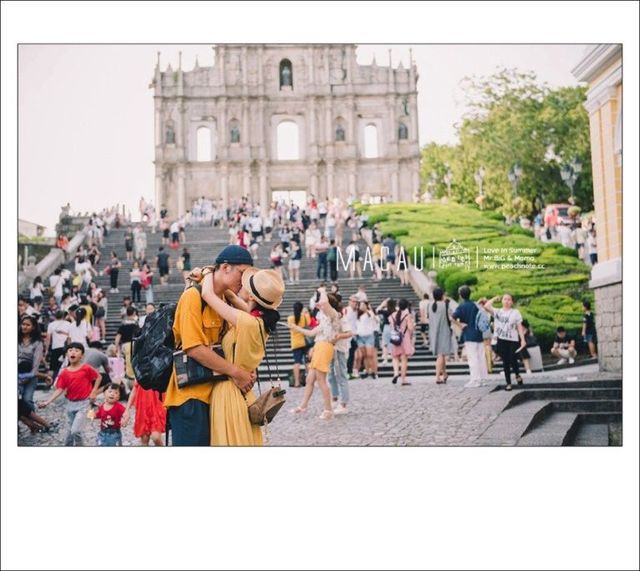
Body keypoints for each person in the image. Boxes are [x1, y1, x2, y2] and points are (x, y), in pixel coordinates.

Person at [165, 246, 257, 446]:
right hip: (191, 395)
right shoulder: (192, 296)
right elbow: (194, 348)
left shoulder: (222, 300)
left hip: (216, 395)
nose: (244, 281)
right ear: (225, 267)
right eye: (241, 273)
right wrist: (236, 372)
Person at [197, 266, 285, 445]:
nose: (240, 285)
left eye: (246, 286)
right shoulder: (258, 322)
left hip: (228, 394)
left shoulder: (245, 321)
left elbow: (207, 294)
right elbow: (231, 297)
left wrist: (207, 272)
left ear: (252, 297)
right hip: (246, 396)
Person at [288, 287, 343, 420]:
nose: (320, 304)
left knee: (321, 380)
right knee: (310, 379)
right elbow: (312, 333)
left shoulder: (333, 314)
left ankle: (328, 409)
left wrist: (322, 291)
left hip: (325, 347)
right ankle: (303, 406)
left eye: (322, 302)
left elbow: (324, 303)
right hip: (319, 346)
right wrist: (296, 328)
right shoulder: (325, 318)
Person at [38, 342, 101, 446]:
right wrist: (47, 401)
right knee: (69, 434)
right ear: (67, 354)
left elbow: (98, 377)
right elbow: (59, 389)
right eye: (70, 350)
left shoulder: (86, 368)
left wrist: (94, 391)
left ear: (82, 355)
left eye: (77, 350)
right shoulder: (64, 372)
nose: (73, 352)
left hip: (84, 403)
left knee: (76, 431)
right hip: (69, 404)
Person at [483, 293, 527, 390]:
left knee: (512, 358)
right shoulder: (497, 311)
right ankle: (508, 383)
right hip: (502, 339)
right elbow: (486, 306)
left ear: (512, 302)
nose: (506, 301)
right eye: (505, 299)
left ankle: (517, 374)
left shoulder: (515, 312)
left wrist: (523, 340)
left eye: (509, 299)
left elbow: (519, 327)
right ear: (502, 301)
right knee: (506, 361)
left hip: (513, 339)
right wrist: (494, 298)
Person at [453, 285, 489, 388]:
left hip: (469, 334)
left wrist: (460, 325)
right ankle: (483, 379)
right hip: (479, 334)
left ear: (460, 295)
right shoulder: (475, 305)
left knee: (473, 358)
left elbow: (452, 317)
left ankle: (475, 379)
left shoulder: (461, 306)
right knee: (481, 357)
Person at [122, 380, 166, 446]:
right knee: (144, 440)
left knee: (156, 438)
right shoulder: (140, 372)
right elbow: (134, 391)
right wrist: (127, 410)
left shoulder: (159, 370)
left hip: (157, 408)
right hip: (142, 409)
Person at [18, 315, 46, 413]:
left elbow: (36, 365)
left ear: (33, 327)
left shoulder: (37, 343)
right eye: (23, 324)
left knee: (27, 400)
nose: (24, 327)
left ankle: (35, 425)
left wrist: (24, 378)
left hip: (30, 375)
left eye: (27, 325)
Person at [328, 308, 353, 415]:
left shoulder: (341, 318)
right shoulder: (328, 317)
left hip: (339, 349)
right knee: (330, 375)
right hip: (330, 349)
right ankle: (334, 398)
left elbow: (349, 333)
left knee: (341, 375)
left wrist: (338, 336)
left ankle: (344, 403)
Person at [427, 288, 452, 385]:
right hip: (443, 331)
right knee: (441, 355)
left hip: (433, 332)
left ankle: (444, 374)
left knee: (441, 355)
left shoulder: (430, 305)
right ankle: (437, 377)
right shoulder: (445, 305)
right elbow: (451, 316)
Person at [389, 298, 416, 385]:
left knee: (395, 357)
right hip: (404, 338)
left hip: (395, 338)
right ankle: (403, 379)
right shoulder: (407, 315)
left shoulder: (392, 315)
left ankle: (396, 373)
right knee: (404, 359)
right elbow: (411, 328)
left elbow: (391, 327)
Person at [354, 301, 379, 380]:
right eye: (360, 305)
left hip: (369, 336)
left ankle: (373, 371)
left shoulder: (369, 313)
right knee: (364, 355)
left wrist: (369, 310)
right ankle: (367, 371)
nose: (362, 306)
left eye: (363, 305)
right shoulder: (357, 314)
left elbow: (376, 320)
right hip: (360, 336)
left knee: (370, 355)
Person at [288, 302, 310, 388]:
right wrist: (305, 313)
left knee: (296, 362)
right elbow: (308, 324)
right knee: (307, 362)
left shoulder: (290, 318)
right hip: (304, 342)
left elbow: (290, 328)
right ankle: (309, 381)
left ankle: (297, 382)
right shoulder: (304, 317)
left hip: (295, 343)